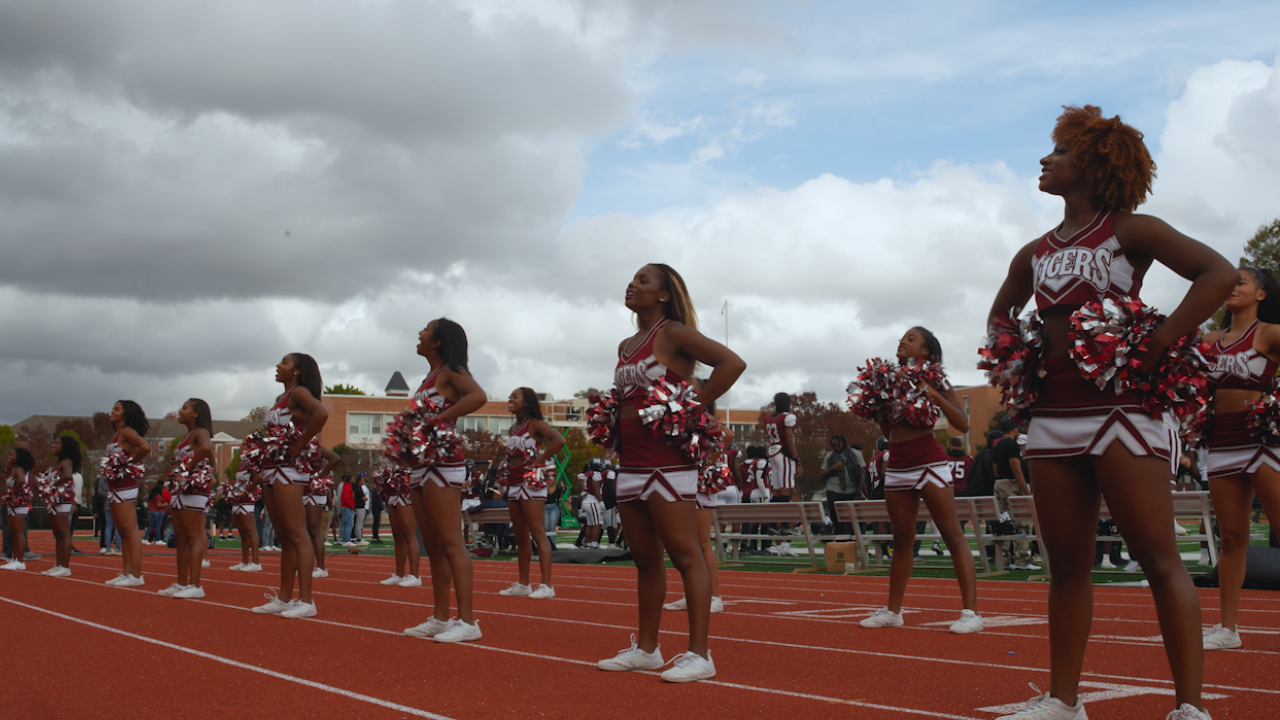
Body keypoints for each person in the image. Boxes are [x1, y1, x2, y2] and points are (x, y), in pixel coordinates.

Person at [986, 105, 1233, 720]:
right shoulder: (1032, 252)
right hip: (1053, 415)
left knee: (1157, 557)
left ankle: (1189, 707)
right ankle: (1065, 701)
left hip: (1122, 408)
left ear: (1092, 163)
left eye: (1060, 152)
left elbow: (1218, 273)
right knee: (1066, 565)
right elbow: (999, 318)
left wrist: (1161, 339)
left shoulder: (1132, 230)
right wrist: (1019, 365)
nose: (1046, 160)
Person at [596, 263, 745, 683]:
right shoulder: (626, 344)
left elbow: (731, 363)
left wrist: (691, 403)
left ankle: (700, 654)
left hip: (669, 463)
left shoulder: (673, 332)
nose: (632, 283)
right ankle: (646, 649)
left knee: (685, 554)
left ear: (663, 294)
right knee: (644, 559)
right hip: (630, 464)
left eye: (643, 280)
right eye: (632, 277)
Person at [858, 329, 980, 633]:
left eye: (911, 338)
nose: (903, 341)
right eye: (902, 337)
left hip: (929, 461)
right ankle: (894, 611)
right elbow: (887, 429)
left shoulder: (935, 378)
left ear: (926, 352)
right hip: (898, 464)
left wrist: (934, 393)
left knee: (952, 534)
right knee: (901, 539)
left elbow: (962, 424)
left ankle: (971, 613)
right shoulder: (886, 381)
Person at [1199, 267, 1280, 651]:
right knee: (1232, 538)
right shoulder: (1208, 340)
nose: (1232, 287)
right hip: (1222, 441)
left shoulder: (1269, 333)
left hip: (1263, 441)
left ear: (1261, 294)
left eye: (1241, 282)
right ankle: (1228, 629)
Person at [398, 319, 487, 644]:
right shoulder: (429, 378)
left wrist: (438, 419)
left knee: (451, 541)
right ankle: (440, 616)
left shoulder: (451, 370)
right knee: (432, 544)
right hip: (421, 464)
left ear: (437, 341)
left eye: (425, 329)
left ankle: (468, 621)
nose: (419, 332)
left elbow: (478, 396)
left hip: (442, 463)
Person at [249, 353, 329, 619]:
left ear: (296, 370)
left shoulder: (300, 392)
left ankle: (306, 601)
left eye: (284, 362)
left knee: (297, 533)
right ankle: (284, 598)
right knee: (283, 536)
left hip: (290, 469)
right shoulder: (280, 399)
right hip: (273, 469)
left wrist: (299, 443)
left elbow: (321, 413)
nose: (278, 365)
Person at [496, 388, 566, 599]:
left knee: (537, 532)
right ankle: (523, 584)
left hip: (531, 482)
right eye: (509, 396)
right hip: (514, 482)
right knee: (519, 534)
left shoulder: (536, 424)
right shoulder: (512, 428)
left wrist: (538, 461)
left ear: (526, 402)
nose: (510, 399)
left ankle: (546, 585)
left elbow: (559, 440)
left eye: (514, 397)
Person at [157, 398, 216, 599]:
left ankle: (196, 585)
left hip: (194, 490)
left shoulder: (201, 432)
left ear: (196, 413)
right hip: (180, 490)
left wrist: (187, 468)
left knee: (192, 536)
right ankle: (181, 583)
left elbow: (207, 448)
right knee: (180, 538)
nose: (179, 411)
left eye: (184, 408)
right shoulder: (186, 436)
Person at [102, 400, 152, 586]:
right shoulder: (117, 434)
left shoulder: (127, 431)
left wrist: (129, 464)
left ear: (126, 413)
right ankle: (126, 573)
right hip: (114, 487)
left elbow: (145, 447)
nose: (112, 411)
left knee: (130, 531)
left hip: (125, 487)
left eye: (117, 409)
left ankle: (136, 576)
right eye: (113, 407)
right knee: (122, 533)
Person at [992, 417, 1039, 571]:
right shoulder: (1011, 444)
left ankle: (1005, 559)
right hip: (1011, 484)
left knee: (1004, 521)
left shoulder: (997, 445)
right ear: (1014, 430)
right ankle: (1022, 559)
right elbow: (1016, 470)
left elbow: (995, 469)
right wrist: (1026, 492)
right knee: (1021, 522)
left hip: (999, 483)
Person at [38, 438, 81, 576]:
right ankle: (58, 564)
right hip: (54, 500)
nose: (53, 445)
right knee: (57, 534)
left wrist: (52, 486)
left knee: (64, 533)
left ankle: (65, 567)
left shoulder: (66, 462)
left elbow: (67, 475)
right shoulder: (58, 463)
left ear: (65, 447)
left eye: (57, 443)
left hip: (62, 500)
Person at [376, 465, 421, 587]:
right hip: (393, 492)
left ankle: (415, 576)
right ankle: (399, 575)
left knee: (409, 533)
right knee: (397, 535)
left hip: (406, 490)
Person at [306, 449, 340, 578]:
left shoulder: (313, 445)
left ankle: (321, 567)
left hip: (314, 488)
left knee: (313, 530)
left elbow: (336, 458)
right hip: (303, 486)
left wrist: (319, 476)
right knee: (303, 530)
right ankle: (305, 565)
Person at [822, 434, 865, 536]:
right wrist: (833, 468)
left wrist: (858, 493)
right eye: (834, 446)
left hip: (851, 491)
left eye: (838, 445)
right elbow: (823, 475)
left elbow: (861, 474)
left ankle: (853, 544)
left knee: (853, 520)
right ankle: (841, 544)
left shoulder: (856, 454)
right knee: (837, 521)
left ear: (844, 442)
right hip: (834, 490)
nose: (837, 448)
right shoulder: (830, 456)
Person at [1, 445, 35, 571]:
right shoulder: (16, 469)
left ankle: (20, 561)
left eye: (12, 455)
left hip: (19, 502)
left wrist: (13, 493)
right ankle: (15, 559)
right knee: (13, 532)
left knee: (18, 532)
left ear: (18, 458)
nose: (9, 457)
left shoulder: (19, 469)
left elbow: (21, 481)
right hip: (14, 503)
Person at [226, 464, 263, 572]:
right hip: (238, 500)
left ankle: (256, 562)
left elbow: (259, 477)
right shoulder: (241, 465)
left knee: (251, 531)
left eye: (244, 446)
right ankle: (244, 561)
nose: (242, 448)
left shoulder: (251, 463)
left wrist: (249, 490)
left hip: (247, 501)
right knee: (242, 532)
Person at [579, 461, 605, 549]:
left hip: (586, 501)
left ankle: (589, 544)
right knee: (597, 524)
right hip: (593, 501)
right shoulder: (595, 474)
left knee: (590, 524)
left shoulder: (586, 474)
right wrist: (601, 502)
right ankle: (594, 545)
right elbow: (596, 490)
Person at [352, 474, 369, 545]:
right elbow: (364, 498)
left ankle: (357, 537)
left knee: (358, 523)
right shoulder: (358, 489)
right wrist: (365, 498)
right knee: (359, 524)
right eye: (362, 480)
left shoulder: (356, 488)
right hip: (360, 507)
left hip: (358, 507)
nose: (364, 481)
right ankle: (359, 538)